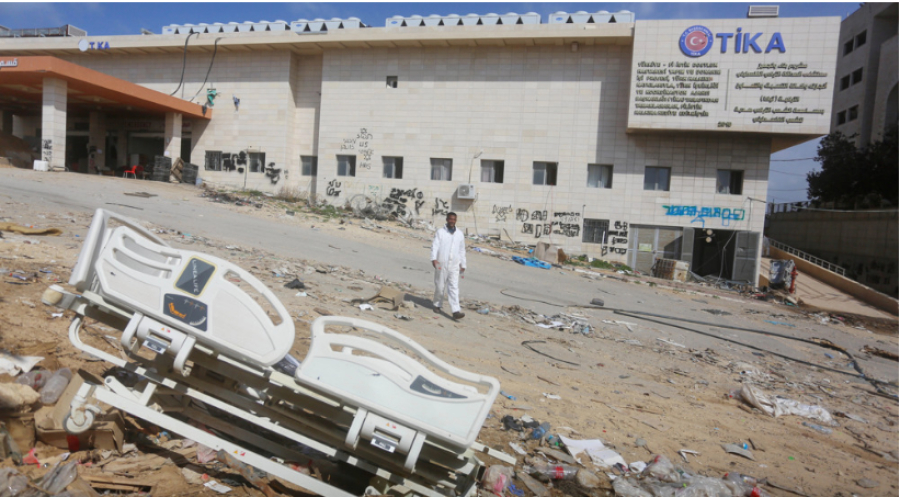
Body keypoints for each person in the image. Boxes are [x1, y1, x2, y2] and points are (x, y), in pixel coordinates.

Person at [431, 212, 466, 319]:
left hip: (454, 265)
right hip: (441, 263)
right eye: (450, 219)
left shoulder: (459, 234)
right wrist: (433, 259)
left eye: (454, 219)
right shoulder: (441, 232)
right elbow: (435, 246)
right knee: (440, 286)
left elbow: (462, 250)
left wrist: (463, 264)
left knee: (454, 288)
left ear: (456, 221)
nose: (452, 221)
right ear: (447, 219)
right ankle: (437, 304)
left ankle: (456, 310)